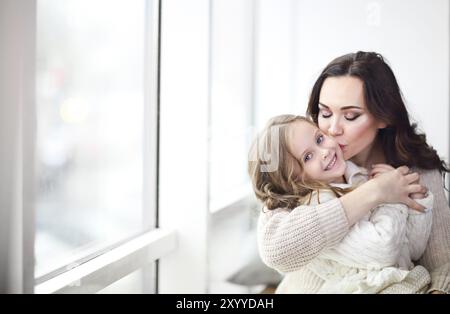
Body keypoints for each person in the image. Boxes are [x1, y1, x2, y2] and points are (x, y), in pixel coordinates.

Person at [256, 51, 450, 294]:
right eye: (325, 113)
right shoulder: (297, 169)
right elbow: (275, 250)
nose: (332, 129)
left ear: (383, 117)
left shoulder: (418, 170)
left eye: (350, 116)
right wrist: (376, 192)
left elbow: (442, 264)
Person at [249, 115, 433, 293]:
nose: (325, 151)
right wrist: (389, 198)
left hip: (406, 280)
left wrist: (415, 200)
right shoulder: (317, 206)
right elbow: (383, 250)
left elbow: (412, 250)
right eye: (307, 157)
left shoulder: (361, 176)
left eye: (319, 139)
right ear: (294, 183)